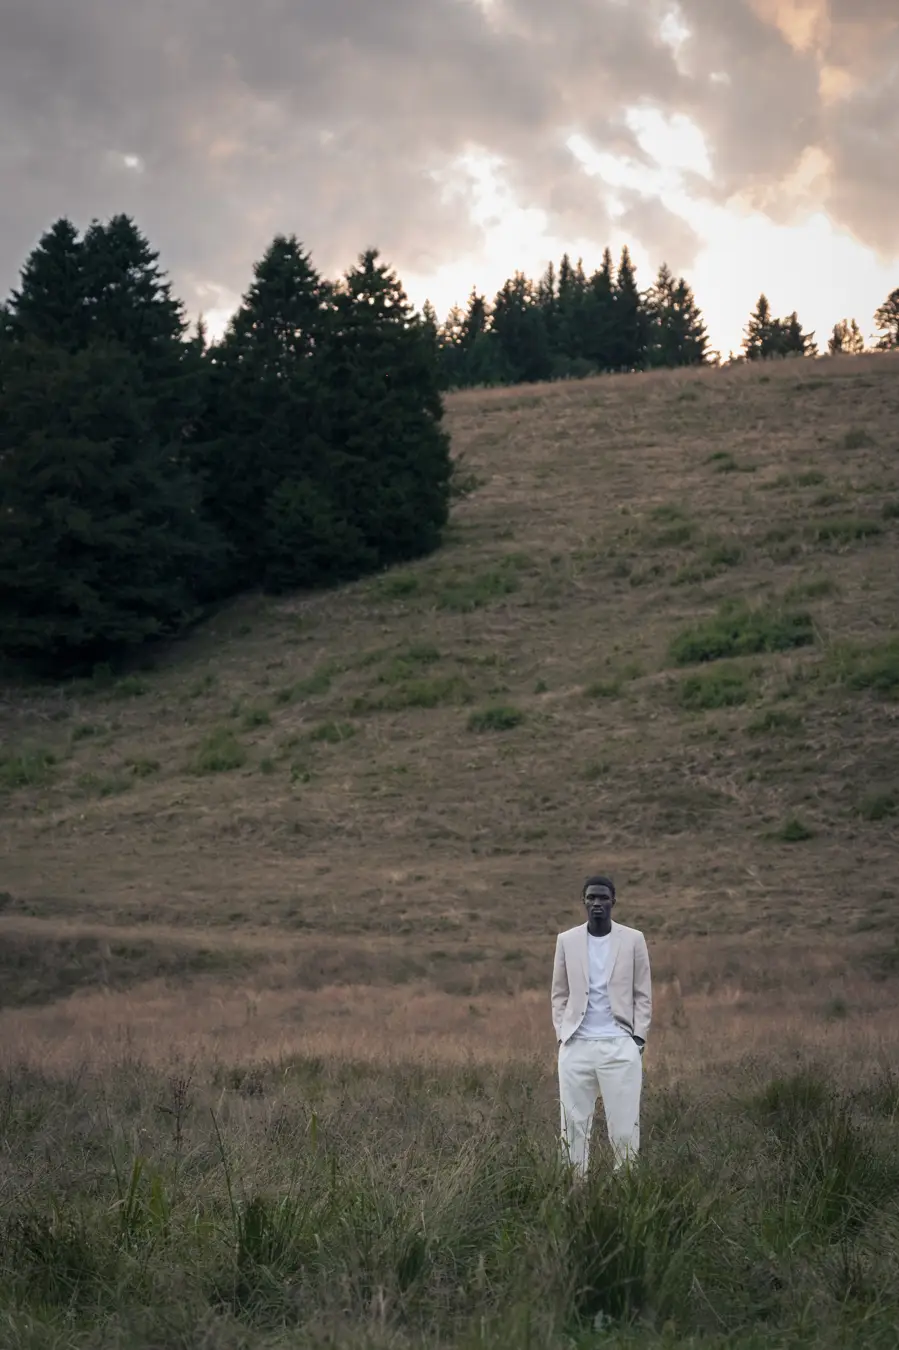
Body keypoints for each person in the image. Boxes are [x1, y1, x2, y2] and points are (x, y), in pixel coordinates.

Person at [551, 874, 652, 1176]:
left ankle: (627, 1193)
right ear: (583, 901)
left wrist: (637, 1039)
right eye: (591, 898)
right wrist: (562, 1035)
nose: (597, 903)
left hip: (619, 1046)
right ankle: (574, 1191)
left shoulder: (633, 939)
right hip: (576, 1046)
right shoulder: (566, 940)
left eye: (603, 898)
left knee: (624, 1130)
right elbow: (559, 993)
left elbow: (643, 993)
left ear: (613, 902)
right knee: (573, 1128)